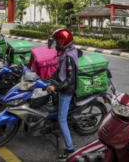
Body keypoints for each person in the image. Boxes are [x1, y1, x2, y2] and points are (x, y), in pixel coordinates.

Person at [46, 28, 82, 161]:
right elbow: (59, 70)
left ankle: (70, 149)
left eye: (56, 42)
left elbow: (69, 80)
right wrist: (47, 79)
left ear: (62, 42)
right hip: (62, 87)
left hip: (66, 91)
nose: (54, 44)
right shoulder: (67, 51)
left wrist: (55, 87)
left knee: (62, 119)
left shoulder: (68, 57)